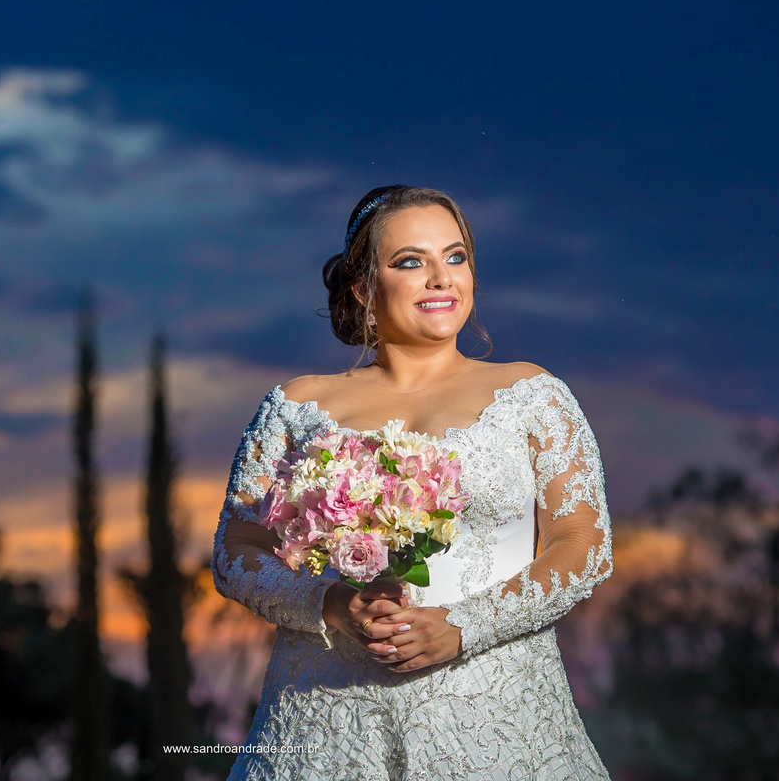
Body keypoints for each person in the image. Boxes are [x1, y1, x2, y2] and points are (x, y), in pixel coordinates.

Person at [211, 185, 614, 780]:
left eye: (455, 258)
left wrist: (466, 626)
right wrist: (330, 604)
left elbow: (585, 543)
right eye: (410, 262)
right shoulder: (296, 407)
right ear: (362, 289)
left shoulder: (533, 395)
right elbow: (233, 549)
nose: (439, 278)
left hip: (496, 718)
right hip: (328, 722)